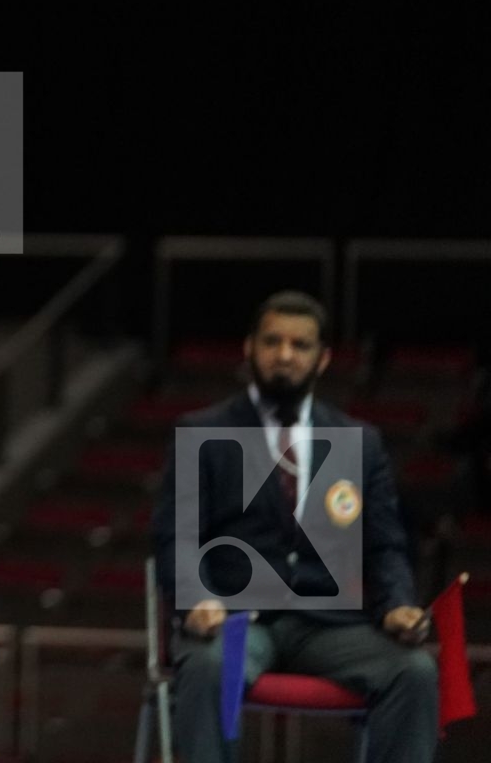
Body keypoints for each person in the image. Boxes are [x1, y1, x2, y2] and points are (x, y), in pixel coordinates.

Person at [149, 290, 440, 763]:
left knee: (414, 671)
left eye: (300, 345)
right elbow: (177, 536)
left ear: (322, 359)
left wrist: (397, 605)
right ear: (249, 348)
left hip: (328, 625)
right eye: (272, 342)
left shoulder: (359, 441)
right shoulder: (202, 432)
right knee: (209, 665)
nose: (284, 355)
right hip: (236, 622)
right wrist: (196, 597)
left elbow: (385, 545)